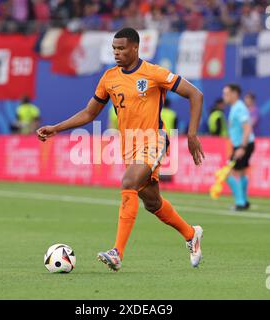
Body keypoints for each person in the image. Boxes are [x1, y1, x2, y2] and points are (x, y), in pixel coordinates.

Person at [37, 28, 205, 272]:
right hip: (129, 147)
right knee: (152, 202)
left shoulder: (154, 73)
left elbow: (195, 94)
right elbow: (89, 112)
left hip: (153, 140)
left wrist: (191, 135)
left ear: (135, 48)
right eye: (114, 48)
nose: (116, 52)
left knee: (128, 182)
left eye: (121, 48)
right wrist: (57, 128)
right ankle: (191, 235)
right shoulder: (109, 78)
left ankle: (117, 253)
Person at [222, 84, 255, 211]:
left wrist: (242, 147)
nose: (224, 96)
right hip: (245, 144)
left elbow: (247, 128)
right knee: (241, 173)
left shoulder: (239, 108)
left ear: (234, 93)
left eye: (226, 93)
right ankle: (244, 201)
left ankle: (240, 202)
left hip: (243, 145)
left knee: (227, 173)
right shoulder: (236, 107)